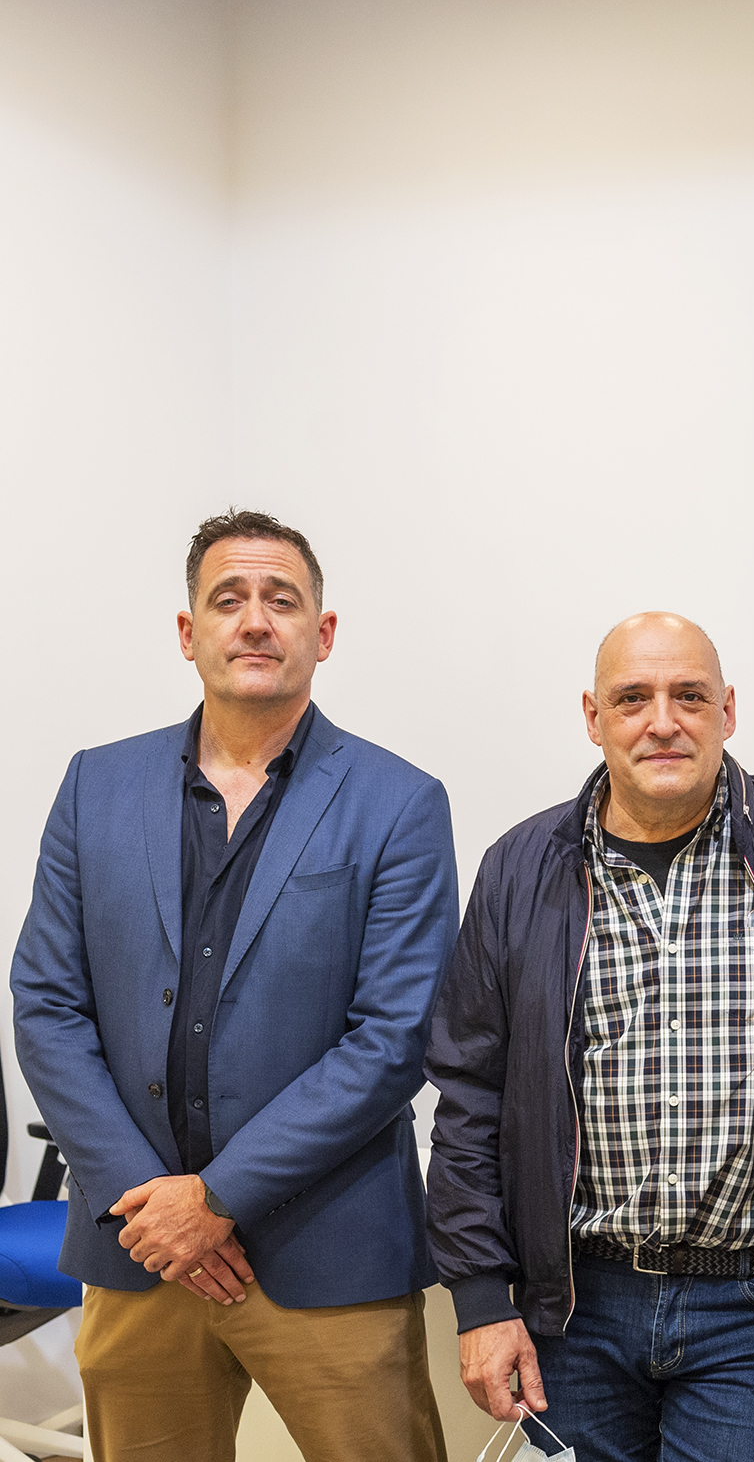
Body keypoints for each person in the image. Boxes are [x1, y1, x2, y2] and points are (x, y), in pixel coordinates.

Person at [426, 611, 754, 1461]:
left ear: (729, 711)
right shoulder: (521, 868)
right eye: (632, 697)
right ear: (592, 717)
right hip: (572, 1305)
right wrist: (481, 1297)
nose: (662, 720)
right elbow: (468, 1096)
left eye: (689, 695)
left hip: (743, 1307)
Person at [12, 509, 459, 1460]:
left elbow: (393, 1038)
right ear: (189, 632)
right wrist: (150, 1199)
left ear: (322, 633)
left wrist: (213, 1198)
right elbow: (48, 1003)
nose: (255, 620)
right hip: (139, 1256)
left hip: (329, 1253)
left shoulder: (399, 802)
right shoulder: (97, 785)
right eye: (228, 598)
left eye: (282, 600)